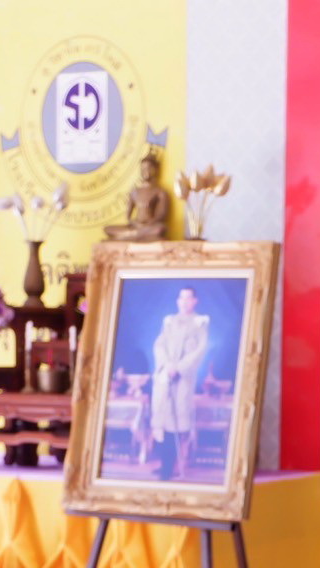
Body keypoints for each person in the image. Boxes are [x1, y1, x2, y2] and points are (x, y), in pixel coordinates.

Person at [150, 286, 209, 480]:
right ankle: (164, 464)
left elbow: (199, 350)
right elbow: (159, 345)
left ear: (194, 301)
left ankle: (171, 467)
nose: (184, 302)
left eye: (188, 298)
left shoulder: (199, 323)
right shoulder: (169, 321)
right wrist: (167, 365)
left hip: (182, 379)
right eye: (181, 298)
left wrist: (179, 368)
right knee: (163, 420)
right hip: (165, 376)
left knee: (176, 422)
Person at [103, 153, 169, 242]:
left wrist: (147, 224)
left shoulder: (160, 192)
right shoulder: (134, 191)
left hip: (150, 226)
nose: (145, 171)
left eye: (149, 168)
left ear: (155, 169)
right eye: (143, 168)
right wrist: (136, 224)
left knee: (160, 229)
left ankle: (128, 236)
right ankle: (137, 235)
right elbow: (128, 217)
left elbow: (161, 215)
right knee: (107, 229)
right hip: (135, 226)